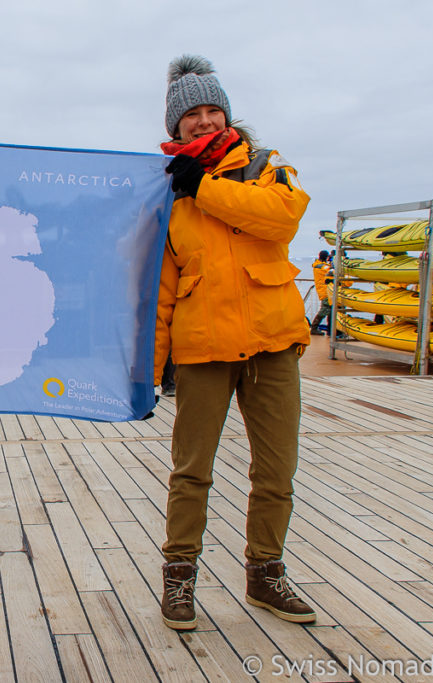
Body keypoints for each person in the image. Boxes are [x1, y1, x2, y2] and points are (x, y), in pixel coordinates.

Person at [155, 55, 316, 631]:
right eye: (190, 114)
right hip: (201, 349)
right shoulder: (164, 192)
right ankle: (179, 577)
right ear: (174, 127)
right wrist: (150, 371)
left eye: (211, 109)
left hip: (273, 344)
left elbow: (280, 222)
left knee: (276, 470)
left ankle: (265, 574)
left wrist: (205, 189)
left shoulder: (267, 167)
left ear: (226, 113)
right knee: (191, 470)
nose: (202, 120)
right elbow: (163, 288)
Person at [309, 250, 331, 334]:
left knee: (330, 310)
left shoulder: (320, 265)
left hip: (326, 290)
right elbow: (330, 270)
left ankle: (330, 329)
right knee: (324, 310)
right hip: (325, 291)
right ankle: (314, 327)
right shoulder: (321, 266)